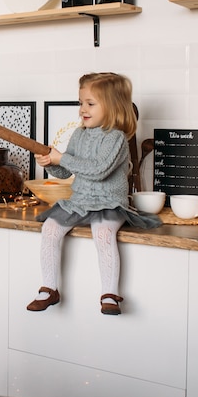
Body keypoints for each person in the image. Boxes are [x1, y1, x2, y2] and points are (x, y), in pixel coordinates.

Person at [27, 72, 161, 316]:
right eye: (80, 103)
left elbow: (98, 170)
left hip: (109, 203)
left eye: (90, 104)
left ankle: (109, 293)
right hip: (79, 202)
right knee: (50, 229)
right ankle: (49, 287)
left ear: (112, 107)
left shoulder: (117, 138)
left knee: (103, 233)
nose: (82, 109)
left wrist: (62, 157)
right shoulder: (80, 134)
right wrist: (50, 162)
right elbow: (67, 169)